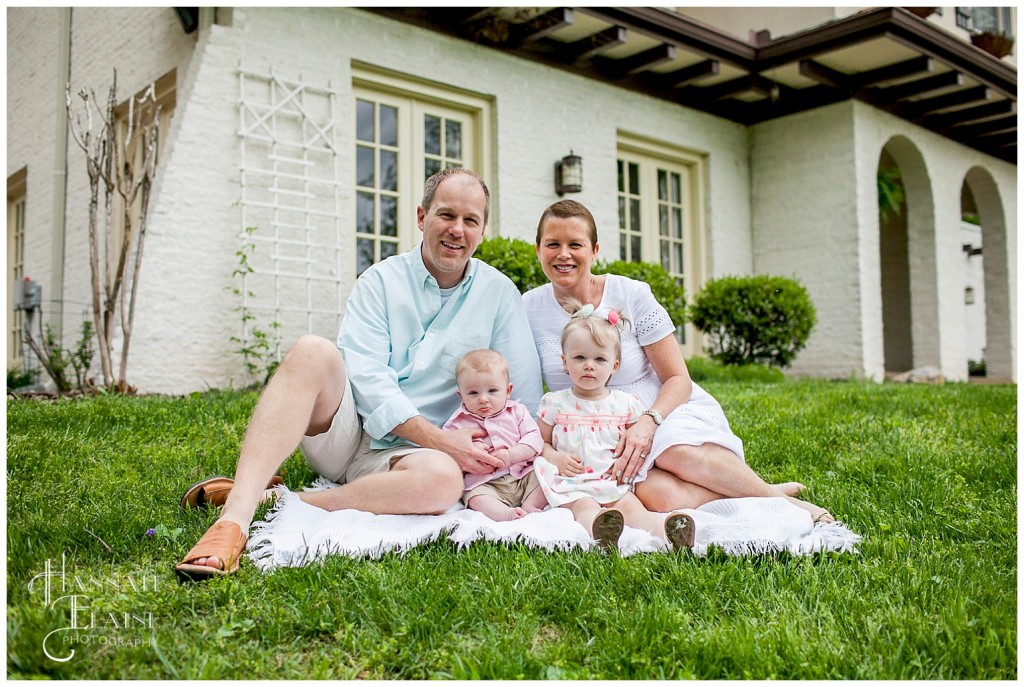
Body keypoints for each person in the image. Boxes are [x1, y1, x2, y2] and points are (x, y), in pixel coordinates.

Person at [175, 167, 543, 580]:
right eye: (446, 215)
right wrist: (442, 439)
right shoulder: (380, 281)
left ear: (482, 230)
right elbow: (366, 380)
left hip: (417, 458)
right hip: (347, 433)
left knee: (444, 483)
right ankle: (234, 520)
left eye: (470, 220)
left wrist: (510, 451)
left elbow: (522, 395)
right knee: (313, 351)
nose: (457, 230)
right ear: (422, 217)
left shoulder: (499, 295)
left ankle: (283, 501)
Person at [522, 199, 834, 524]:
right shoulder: (528, 307)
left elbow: (677, 378)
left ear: (595, 249)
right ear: (538, 249)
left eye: (575, 244)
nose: (563, 254)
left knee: (675, 452)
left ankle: (786, 505)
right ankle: (753, 489)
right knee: (659, 498)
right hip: (592, 427)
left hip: (656, 406)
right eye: (552, 244)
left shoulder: (632, 294)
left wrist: (647, 423)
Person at [532, 300, 697, 551]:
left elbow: (637, 440)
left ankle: (669, 533)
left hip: (613, 482)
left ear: (614, 365)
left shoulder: (625, 404)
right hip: (572, 484)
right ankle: (602, 534)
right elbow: (537, 442)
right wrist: (554, 457)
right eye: (579, 357)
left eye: (600, 359)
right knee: (585, 508)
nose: (589, 365)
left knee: (633, 509)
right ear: (564, 362)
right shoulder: (555, 403)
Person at [442, 349, 547, 521]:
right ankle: (506, 514)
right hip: (485, 483)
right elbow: (449, 453)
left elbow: (534, 438)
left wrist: (512, 455)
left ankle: (531, 504)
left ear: (508, 391)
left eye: (492, 391)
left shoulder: (517, 412)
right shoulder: (456, 423)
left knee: (545, 474)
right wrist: (472, 450)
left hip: (523, 475)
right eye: (473, 393)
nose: (483, 399)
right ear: (461, 395)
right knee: (475, 497)